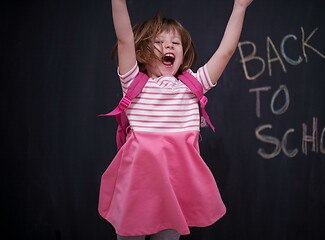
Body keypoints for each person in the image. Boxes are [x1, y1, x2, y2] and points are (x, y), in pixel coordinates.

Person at [99, 0, 253, 239]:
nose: (167, 46)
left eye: (175, 43)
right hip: (138, 184)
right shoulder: (134, 83)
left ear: (183, 53)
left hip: (174, 184)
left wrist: (239, 8)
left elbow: (226, 51)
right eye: (158, 42)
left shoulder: (193, 86)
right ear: (141, 53)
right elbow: (125, 39)